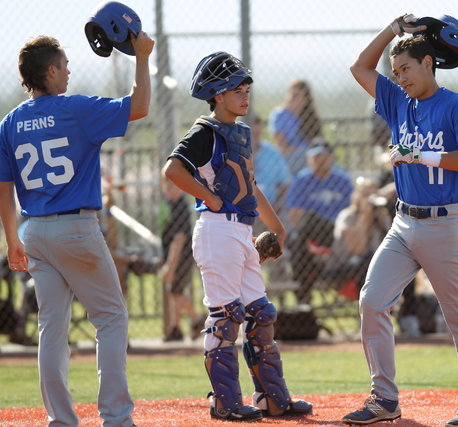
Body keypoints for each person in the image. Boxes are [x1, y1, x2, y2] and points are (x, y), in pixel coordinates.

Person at [0, 27, 154, 427]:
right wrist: (141, 56)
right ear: (50, 72)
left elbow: (3, 186)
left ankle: (61, 420)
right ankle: (117, 418)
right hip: (76, 228)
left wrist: (11, 238)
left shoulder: (10, 123)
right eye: (64, 66)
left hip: (33, 230)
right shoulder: (75, 109)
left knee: (51, 328)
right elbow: (139, 106)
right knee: (111, 319)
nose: (68, 72)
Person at [345, 13, 458, 427]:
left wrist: (422, 156)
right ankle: (384, 399)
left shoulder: (454, 105)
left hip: (445, 224)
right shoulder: (397, 102)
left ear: (430, 64)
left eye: (406, 68)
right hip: (404, 223)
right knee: (372, 301)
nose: (401, 77)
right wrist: (394, 30)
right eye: (396, 72)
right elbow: (359, 67)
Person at [161, 51, 312, 421]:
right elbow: (173, 170)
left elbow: (251, 187)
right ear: (216, 95)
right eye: (235, 90)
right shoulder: (204, 131)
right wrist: (210, 197)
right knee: (227, 317)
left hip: (242, 231)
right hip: (216, 231)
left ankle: (272, 399)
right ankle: (224, 402)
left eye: (246, 88)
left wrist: (276, 228)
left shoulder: (241, 133)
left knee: (261, 315)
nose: (245, 95)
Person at [285, 136, 353, 304]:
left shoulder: (342, 180)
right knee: (298, 240)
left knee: (302, 231)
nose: (320, 161)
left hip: (335, 232)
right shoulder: (301, 180)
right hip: (308, 235)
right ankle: (304, 299)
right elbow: (295, 215)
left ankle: (303, 298)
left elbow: (353, 211)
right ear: (309, 159)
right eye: (316, 157)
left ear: (331, 158)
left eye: (324, 156)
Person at [324, 176, 391, 298]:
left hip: (374, 263)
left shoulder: (381, 217)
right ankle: (366, 312)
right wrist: (364, 218)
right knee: (368, 262)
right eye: (366, 195)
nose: (370, 200)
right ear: (357, 197)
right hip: (343, 266)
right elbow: (358, 250)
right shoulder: (347, 216)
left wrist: (379, 221)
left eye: (373, 196)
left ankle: (408, 314)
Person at [159, 176, 203, 342]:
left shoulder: (180, 207)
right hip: (172, 254)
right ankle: (178, 326)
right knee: (174, 292)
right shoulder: (168, 203)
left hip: (181, 256)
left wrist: (170, 265)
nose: (170, 189)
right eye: (167, 185)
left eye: (174, 185)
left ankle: (194, 320)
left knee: (176, 291)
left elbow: (179, 239)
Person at [248, 112, 292, 234]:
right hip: (243, 206)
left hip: (271, 206)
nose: (255, 132)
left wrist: (279, 204)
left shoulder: (272, 152)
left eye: (258, 128)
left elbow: (286, 184)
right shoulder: (232, 152)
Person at [269, 79, 323, 175]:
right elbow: (282, 147)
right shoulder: (279, 115)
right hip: (288, 159)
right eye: (291, 94)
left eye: (297, 95)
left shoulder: (310, 117)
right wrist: (303, 152)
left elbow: (319, 143)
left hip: (309, 159)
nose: (292, 98)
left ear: (305, 99)